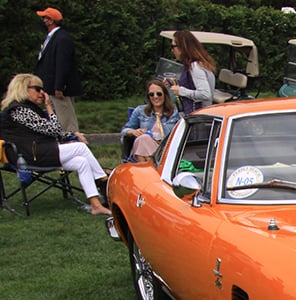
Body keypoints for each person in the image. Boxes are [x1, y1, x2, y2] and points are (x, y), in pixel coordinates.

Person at [1, 73, 110, 216]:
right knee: (80, 147)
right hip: (27, 156)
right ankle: (104, 182)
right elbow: (52, 130)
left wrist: (72, 135)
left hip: (36, 151)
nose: (43, 93)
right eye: (38, 89)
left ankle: (96, 205)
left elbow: (46, 132)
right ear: (23, 88)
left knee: (81, 162)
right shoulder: (19, 110)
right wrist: (49, 105)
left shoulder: (27, 108)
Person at [35, 7, 82, 133]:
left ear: (51, 21)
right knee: (56, 116)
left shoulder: (62, 38)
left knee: (65, 118)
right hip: (50, 86)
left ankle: (71, 140)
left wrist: (59, 86)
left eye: (45, 18)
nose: (43, 20)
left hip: (58, 89)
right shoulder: (52, 37)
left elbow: (63, 64)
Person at [120, 79, 180, 163]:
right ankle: (150, 167)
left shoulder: (174, 111)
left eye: (159, 94)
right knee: (143, 139)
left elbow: (179, 132)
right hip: (144, 148)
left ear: (165, 95)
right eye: (151, 94)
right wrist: (133, 132)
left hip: (165, 148)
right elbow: (124, 130)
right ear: (148, 97)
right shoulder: (140, 111)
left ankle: (147, 169)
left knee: (144, 140)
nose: (155, 97)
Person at [169, 29, 216, 112]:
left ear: (182, 47)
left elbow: (205, 94)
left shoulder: (195, 66)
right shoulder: (196, 64)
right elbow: (191, 85)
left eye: (173, 46)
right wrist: (173, 83)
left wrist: (181, 91)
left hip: (198, 115)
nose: (172, 50)